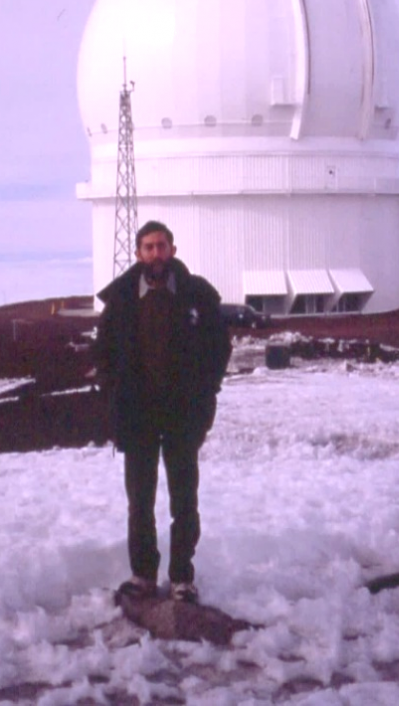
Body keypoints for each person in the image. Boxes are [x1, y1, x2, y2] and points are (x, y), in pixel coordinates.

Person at [93, 220, 231, 604]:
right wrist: (113, 390)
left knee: (184, 499)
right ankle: (143, 576)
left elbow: (220, 345)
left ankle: (182, 578)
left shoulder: (196, 295)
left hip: (182, 415)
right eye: (148, 247)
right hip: (138, 416)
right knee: (140, 501)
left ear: (173, 249)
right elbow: (103, 350)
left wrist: (207, 389)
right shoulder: (121, 299)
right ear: (138, 253)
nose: (155, 253)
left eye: (161, 246)